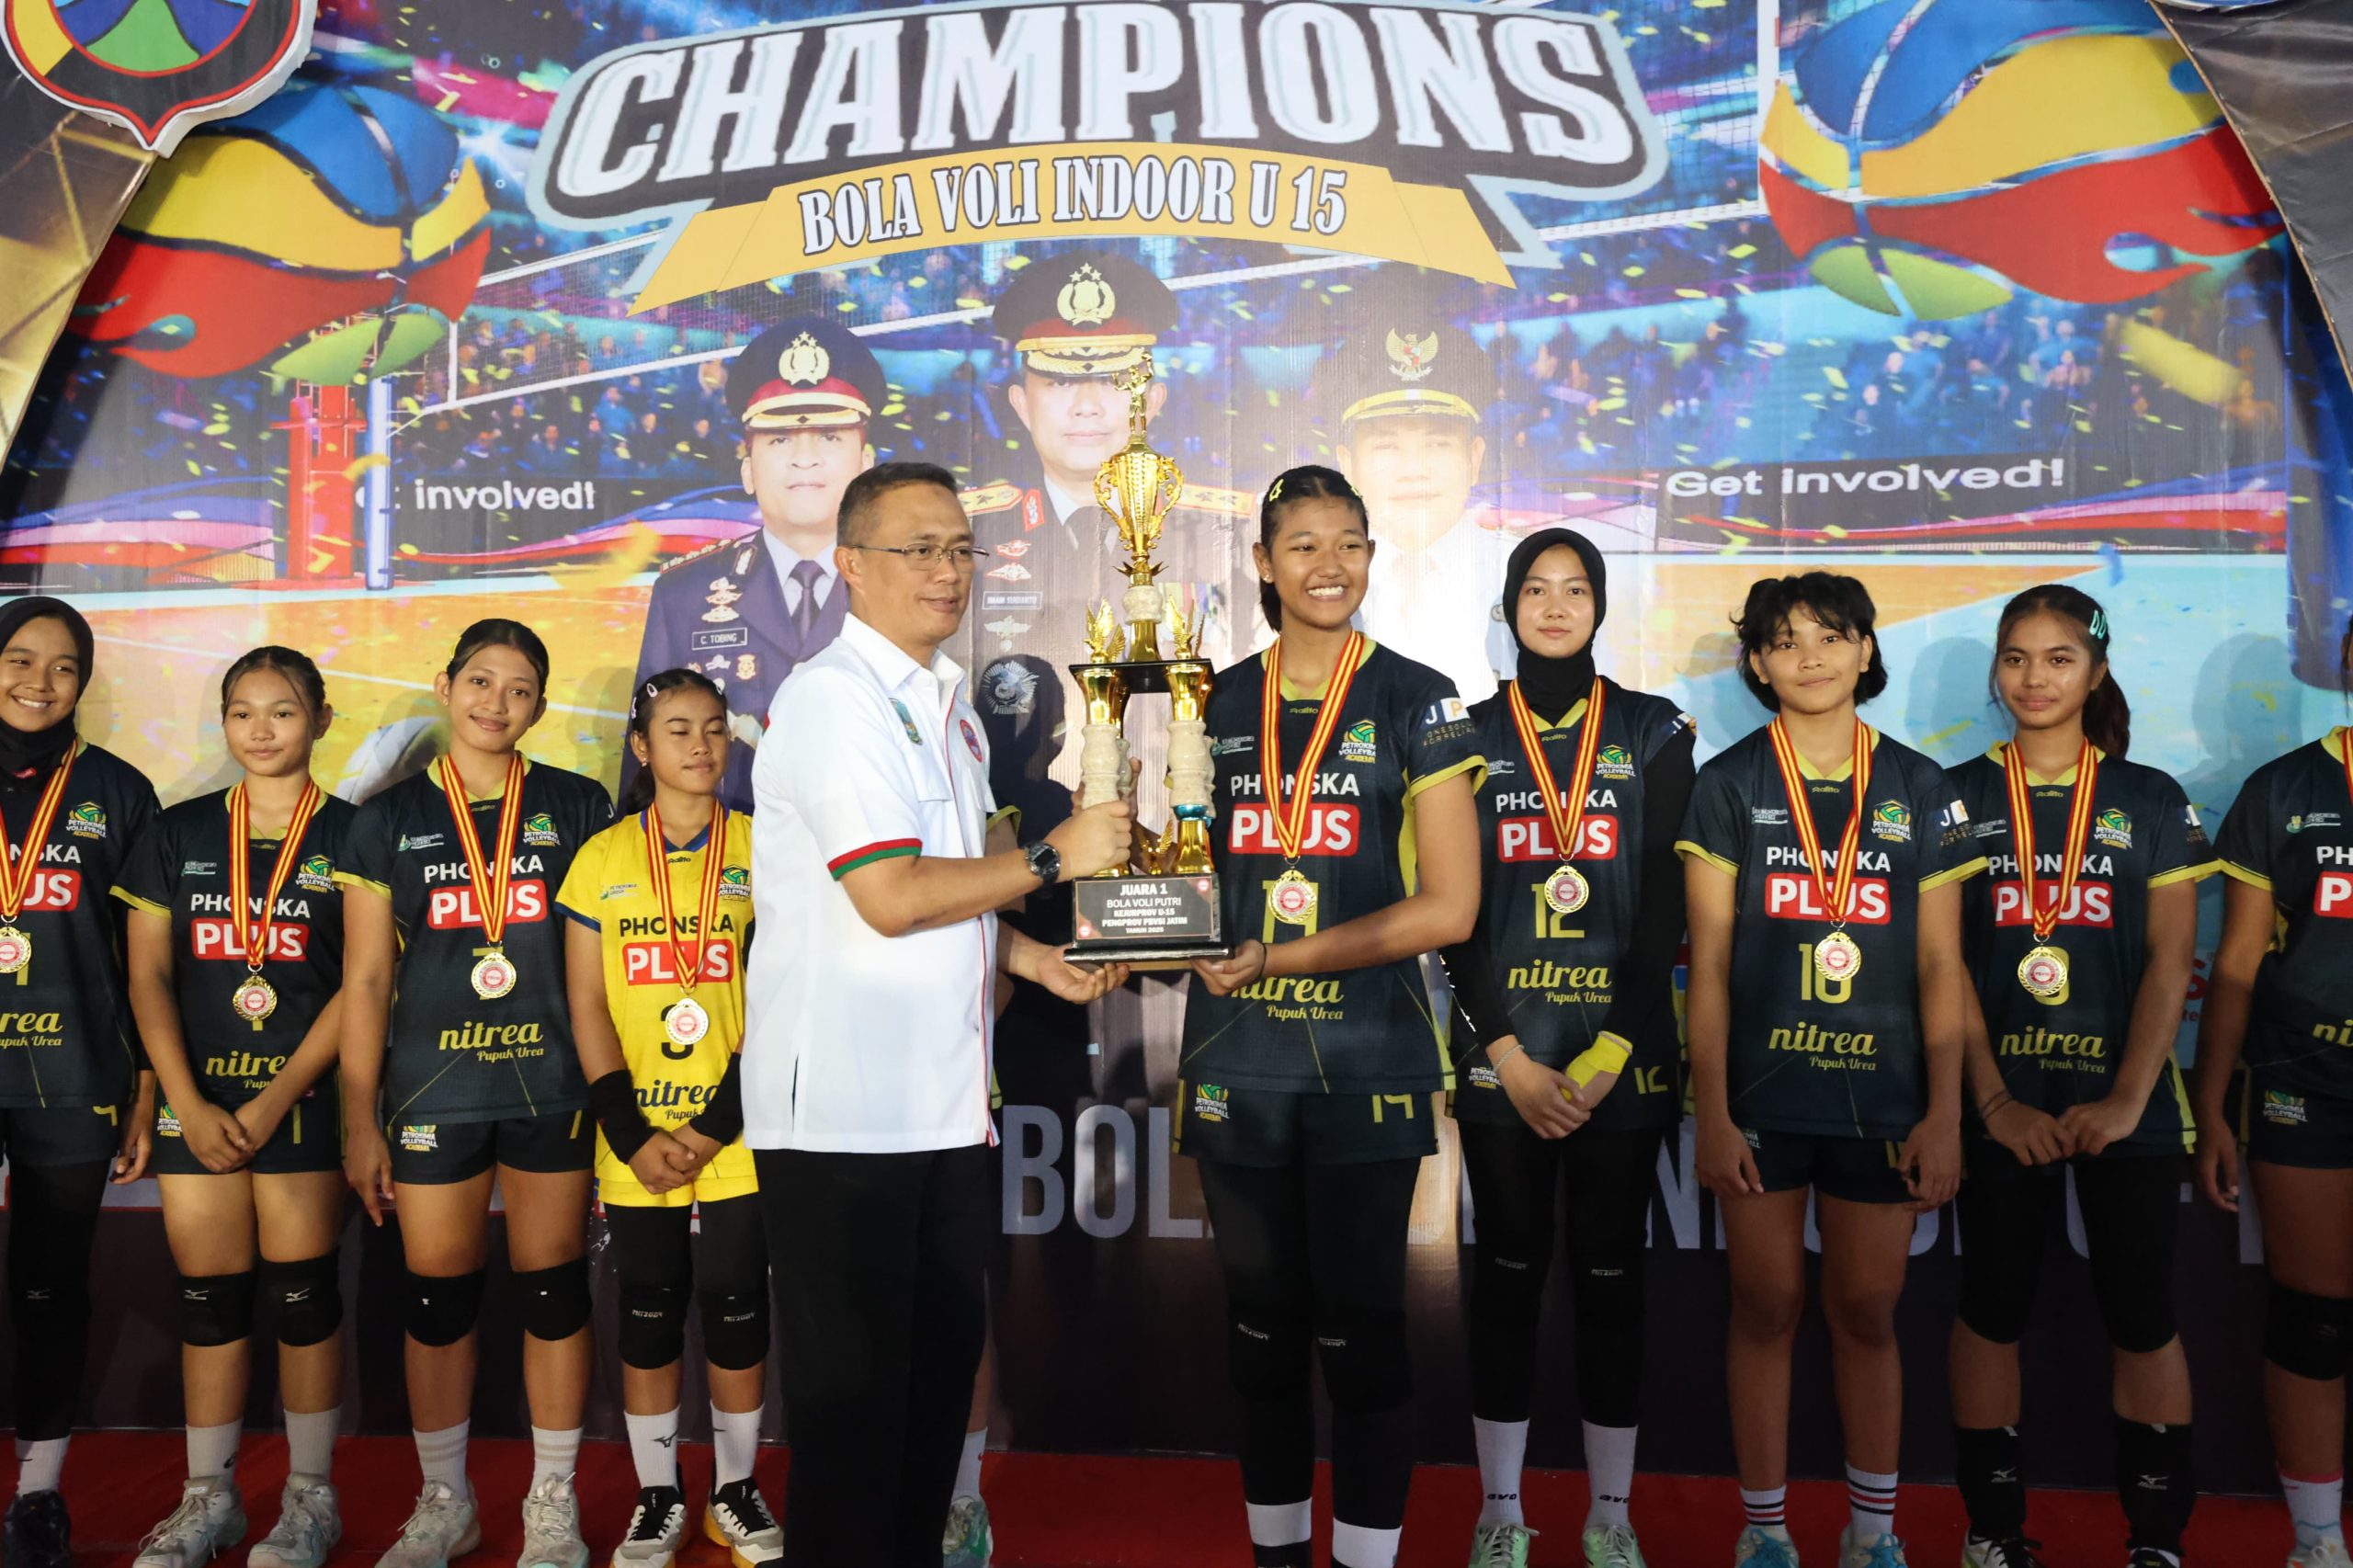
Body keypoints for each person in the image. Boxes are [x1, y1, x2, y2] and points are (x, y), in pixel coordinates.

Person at [743, 460, 1131, 1565]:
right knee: (853, 1418)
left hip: (945, 1109)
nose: (947, 570)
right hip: (843, 1120)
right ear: (850, 565)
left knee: (928, 1399)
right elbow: (889, 893)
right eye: (918, 548)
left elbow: (949, 892)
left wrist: (1033, 958)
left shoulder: (948, 704)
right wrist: (1053, 855)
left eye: (960, 548)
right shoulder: (833, 698)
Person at [1177, 465, 1485, 1568]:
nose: (1327, 564)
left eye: (1348, 542)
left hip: (1369, 1061)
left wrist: (1279, 955)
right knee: (1259, 1334)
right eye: (1302, 543)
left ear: (1370, 556)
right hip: (1238, 1060)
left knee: (1361, 1333)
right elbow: (1173, 873)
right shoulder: (1209, 702)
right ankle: (1276, 1557)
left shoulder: (1419, 696)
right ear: (1262, 562)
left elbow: (1449, 907)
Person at [1677, 572, 1982, 1568]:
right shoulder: (1728, 784)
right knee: (1765, 1306)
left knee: (1866, 1311)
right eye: (1784, 640)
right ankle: (1764, 1530)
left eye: (1830, 635)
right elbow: (1708, 965)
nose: (1809, 655)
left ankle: (1873, 1533)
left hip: (1887, 1099)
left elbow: (1940, 964)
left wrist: (1944, 1113)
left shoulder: (1919, 786)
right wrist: (1713, 1111)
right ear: (1758, 664)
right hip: (1761, 1098)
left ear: (1865, 650)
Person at [1441, 530, 1697, 1568]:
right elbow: (1454, 911)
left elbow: (1667, 902)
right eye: (1535, 589)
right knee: (1505, 1278)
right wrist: (1505, 1051)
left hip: (1617, 1061)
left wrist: (1611, 1050)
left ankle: (1611, 1516)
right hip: (1504, 1058)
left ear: (1599, 606)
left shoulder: (1652, 728)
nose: (1555, 606)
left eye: (1575, 588)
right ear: (1508, 607)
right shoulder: (1462, 733)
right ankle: (1500, 1510)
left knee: (1610, 1280)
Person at [335, 619, 613, 1567]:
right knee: (438, 1298)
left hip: (551, 1081)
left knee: (554, 1287)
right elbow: (366, 978)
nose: (497, 702)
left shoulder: (576, 803)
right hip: (432, 1087)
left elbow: (598, 958)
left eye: (520, 688)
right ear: (446, 685)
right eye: (481, 681)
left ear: (540, 704)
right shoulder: (385, 818)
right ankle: (445, 1499)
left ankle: (551, 1501)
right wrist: (359, 1117)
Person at [1946, 587, 2212, 1568]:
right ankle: (1992, 1533)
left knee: (2142, 1313)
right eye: (2015, 657)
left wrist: (2130, 1098)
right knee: (1991, 1306)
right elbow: (1944, 966)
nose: (2034, 678)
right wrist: (1994, 1101)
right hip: (1999, 1105)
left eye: (2059, 658)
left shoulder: (2151, 797)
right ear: (1996, 671)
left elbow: (2171, 961)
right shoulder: (1954, 798)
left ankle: (2156, 1541)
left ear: (2095, 672)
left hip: (2126, 1107)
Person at [118, 648, 356, 1568]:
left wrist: (275, 1097)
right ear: (223, 721)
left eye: (283, 711)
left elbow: (361, 983)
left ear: (321, 720)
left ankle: (309, 1500)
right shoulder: (177, 832)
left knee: (304, 1297)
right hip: (199, 1102)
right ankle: (208, 1498)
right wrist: (183, 1099)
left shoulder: (353, 834)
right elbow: (147, 974)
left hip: (300, 1101)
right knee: (209, 1301)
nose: (261, 730)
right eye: (242, 711)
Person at [560, 667, 780, 1567]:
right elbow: (585, 1004)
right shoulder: (602, 858)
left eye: (715, 728)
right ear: (642, 748)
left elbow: (782, 1001)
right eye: (678, 729)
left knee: (736, 1303)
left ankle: (735, 1490)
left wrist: (708, 1127)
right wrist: (630, 1132)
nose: (700, 744)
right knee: (648, 1308)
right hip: (637, 1137)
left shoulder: (766, 849)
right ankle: (659, 1494)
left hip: (738, 1130)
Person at [0, 597, 161, 1568]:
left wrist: (142, 1081)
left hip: (72, 1071)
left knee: (50, 1282)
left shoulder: (116, 791)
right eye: (20, 658)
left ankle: (37, 1494)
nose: (40, 681)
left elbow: (142, 958)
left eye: (63, 667)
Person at [2196, 617, 2353, 1568]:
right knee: (2314, 1318)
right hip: (2305, 1082)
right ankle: (2317, 1540)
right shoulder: (2285, 789)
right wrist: (2211, 1102)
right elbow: (2237, 962)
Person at [962, 248, 1256, 748]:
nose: (1087, 407)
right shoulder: (973, 534)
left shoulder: (1221, 532)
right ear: (1021, 405)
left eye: (1113, 380)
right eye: (1060, 381)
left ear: (1154, 401)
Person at [631, 318, 888, 811]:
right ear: (748, 469)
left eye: (829, 437)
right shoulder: (684, 595)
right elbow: (648, 761)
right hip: (726, 851)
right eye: (780, 439)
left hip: (876, 848)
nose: (804, 459)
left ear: (866, 463)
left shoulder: (906, 587)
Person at [1324, 320, 1512, 705]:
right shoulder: (1311, 585)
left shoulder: (1523, 575)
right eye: (1386, 447)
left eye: (1437, 444)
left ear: (1474, 459)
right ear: (1348, 466)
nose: (1413, 470)